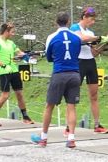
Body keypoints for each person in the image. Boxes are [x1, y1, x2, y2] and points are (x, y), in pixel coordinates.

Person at [31, 12, 83, 149]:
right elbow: (77, 54)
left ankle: (44, 138)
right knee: (71, 106)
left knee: (49, 106)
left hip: (59, 73)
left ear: (56, 22)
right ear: (68, 21)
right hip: (74, 73)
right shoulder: (76, 37)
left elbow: (49, 57)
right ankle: (71, 138)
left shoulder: (52, 37)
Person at [70, 6, 108, 134]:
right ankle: (69, 126)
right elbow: (82, 39)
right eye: (91, 19)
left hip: (90, 62)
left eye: (94, 20)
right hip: (79, 62)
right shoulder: (74, 28)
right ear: (84, 17)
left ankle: (97, 125)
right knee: (74, 96)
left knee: (94, 95)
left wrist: (106, 43)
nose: (93, 22)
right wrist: (100, 38)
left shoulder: (91, 33)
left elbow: (94, 52)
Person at [0, 22, 34, 127]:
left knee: (19, 94)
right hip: (3, 71)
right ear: (6, 31)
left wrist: (25, 55)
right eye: (12, 32)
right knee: (5, 95)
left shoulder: (10, 43)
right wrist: (3, 66)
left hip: (13, 70)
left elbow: (19, 52)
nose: (13, 34)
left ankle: (25, 117)